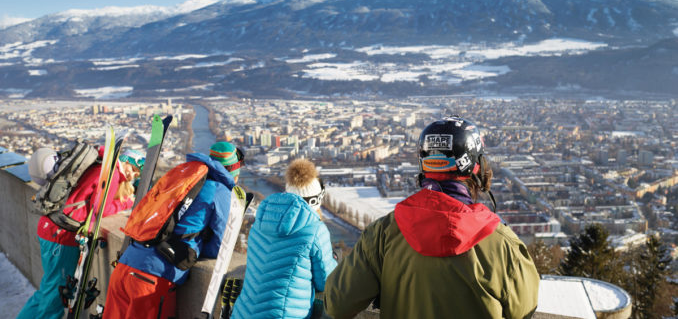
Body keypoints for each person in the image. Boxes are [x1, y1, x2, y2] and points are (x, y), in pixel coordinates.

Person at [324, 117, 540, 319]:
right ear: (477, 168)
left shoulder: (383, 234)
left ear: (424, 166)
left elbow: (336, 303)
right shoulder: (503, 244)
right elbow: (524, 310)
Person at [103, 141, 243, 319]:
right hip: (153, 277)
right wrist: (197, 249)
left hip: (125, 265)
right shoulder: (219, 190)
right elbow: (222, 244)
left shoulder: (184, 176)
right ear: (233, 169)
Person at [18, 147, 143, 319]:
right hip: (60, 236)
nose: (132, 175)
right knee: (55, 295)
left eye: (136, 175)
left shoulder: (101, 166)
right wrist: (126, 203)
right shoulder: (112, 173)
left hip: (52, 229)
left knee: (49, 290)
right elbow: (99, 208)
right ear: (127, 160)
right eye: (134, 169)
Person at [231, 159, 337, 319]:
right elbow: (326, 281)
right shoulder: (315, 229)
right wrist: (333, 259)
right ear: (316, 200)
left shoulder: (260, 221)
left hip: (242, 313)